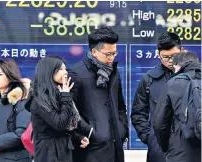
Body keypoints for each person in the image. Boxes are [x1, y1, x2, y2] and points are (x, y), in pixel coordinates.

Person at [68, 27, 128, 162]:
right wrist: (89, 133)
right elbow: (70, 111)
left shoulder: (114, 72)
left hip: (115, 146)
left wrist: (122, 129)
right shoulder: (76, 73)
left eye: (114, 53)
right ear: (94, 51)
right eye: (108, 54)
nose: (112, 58)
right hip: (90, 149)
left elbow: (120, 105)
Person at [25, 56, 91, 162]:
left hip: (63, 152)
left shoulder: (59, 94)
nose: (65, 72)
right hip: (48, 154)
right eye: (60, 69)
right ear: (49, 72)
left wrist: (78, 137)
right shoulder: (39, 99)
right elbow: (59, 124)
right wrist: (66, 96)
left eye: (65, 69)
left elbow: (63, 127)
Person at [130, 32, 182, 162]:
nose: (171, 61)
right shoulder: (149, 79)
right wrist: (151, 138)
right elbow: (138, 114)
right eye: (166, 57)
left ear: (182, 51)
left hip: (189, 149)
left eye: (175, 56)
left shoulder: (195, 77)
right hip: (159, 150)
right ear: (159, 55)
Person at [153, 51, 201, 162]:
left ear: (177, 66)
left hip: (180, 152)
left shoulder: (173, 83)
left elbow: (159, 123)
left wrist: (166, 146)